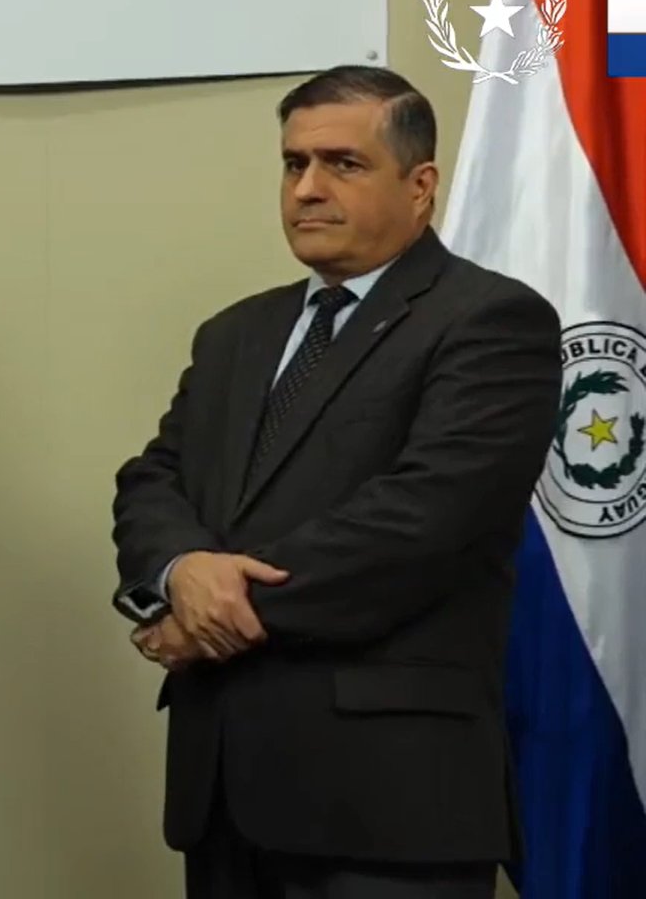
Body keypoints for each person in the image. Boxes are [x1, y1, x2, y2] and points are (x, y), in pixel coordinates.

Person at [110, 65, 562, 899]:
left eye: (342, 164)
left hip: (387, 805)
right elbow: (153, 480)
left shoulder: (490, 321)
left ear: (420, 186)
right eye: (293, 165)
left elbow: (422, 522)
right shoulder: (236, 333)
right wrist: (179, 573)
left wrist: (214, 616)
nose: (308, 188)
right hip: (223, 794)